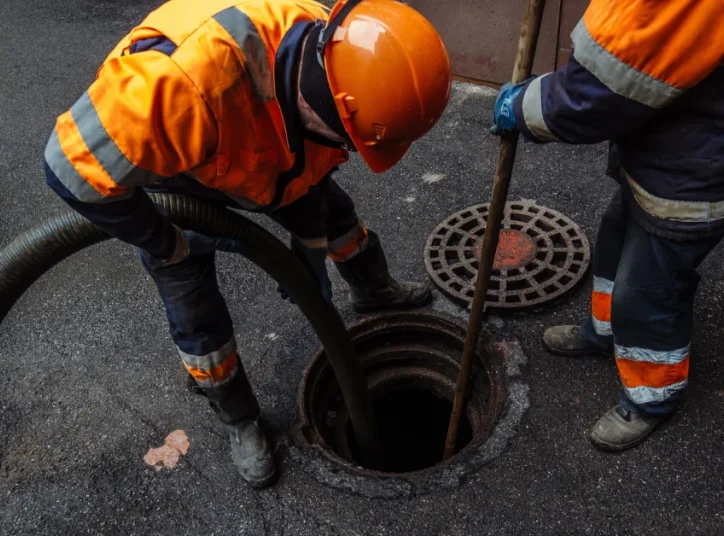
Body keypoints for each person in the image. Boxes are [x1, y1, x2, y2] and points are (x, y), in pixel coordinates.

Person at [43, 0, 451, 487]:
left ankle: (372, 289)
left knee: (332, 211)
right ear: (325, 100)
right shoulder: (179, 85)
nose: (352, 154)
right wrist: (164, 238)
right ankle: (239, 418)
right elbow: (67, 167)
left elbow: (314, 173)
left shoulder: (336, 52)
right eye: (352, 141)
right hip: (189, 165)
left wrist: (310, 251)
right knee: (192, 301)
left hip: (267, 152)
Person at [492, 0, 724, 451]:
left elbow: (602, 88)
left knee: (648, 285)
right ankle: (604, 331)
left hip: (716, 147)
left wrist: (526, 106)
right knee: (617, 232)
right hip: (688, 116)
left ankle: (650, 396)